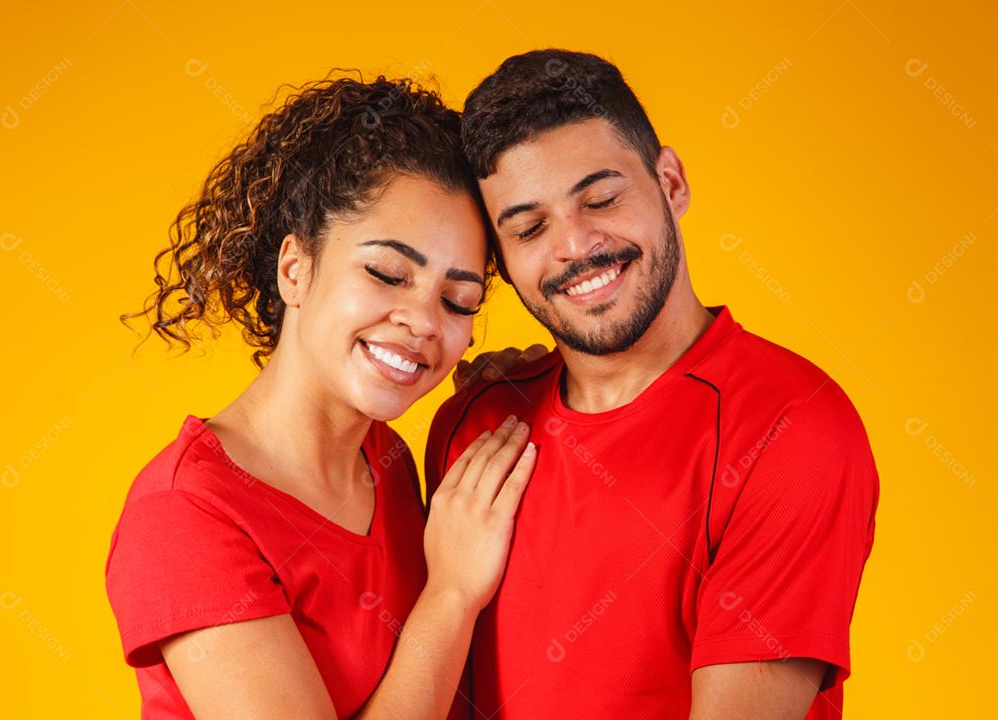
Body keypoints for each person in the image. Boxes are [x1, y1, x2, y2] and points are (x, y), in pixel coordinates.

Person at [428, 49, 880, 719]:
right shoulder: (474, 424)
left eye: (602, 199)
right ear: (501, 259)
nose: (576, 246)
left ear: (670, 183)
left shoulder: (792, 428)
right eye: (529, 228)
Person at [105, 75, 539, 719]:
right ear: (295, 269)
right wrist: (450, 591)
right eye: (387, 273)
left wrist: (522, 402)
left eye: (457, 301)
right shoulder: (184, 512)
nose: (423, 322)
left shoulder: (389, 465)